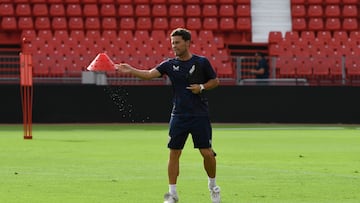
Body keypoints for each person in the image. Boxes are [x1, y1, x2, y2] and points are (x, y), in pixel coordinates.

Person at [115, 28, 221, 203]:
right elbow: (149, 75)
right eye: (172, 43)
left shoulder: (202, 62)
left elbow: (215, 81)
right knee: (174, 153)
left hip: (199, 115)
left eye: (177, 42)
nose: (174, 46)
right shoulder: (169, 65)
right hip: (178, 115)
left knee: (207, 153)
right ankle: (172, 194)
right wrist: (131, 70)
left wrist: (201, 87)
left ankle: (213, 187)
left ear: (187, 42)